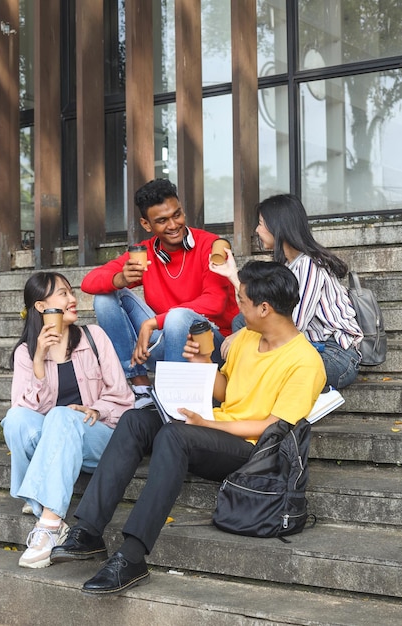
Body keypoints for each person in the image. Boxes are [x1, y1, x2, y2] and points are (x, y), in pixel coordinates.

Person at [50, 261, 326, 595]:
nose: (237, 308)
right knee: (137, 420)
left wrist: (207, 423)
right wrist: (204, 366)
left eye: (242, 301)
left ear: (264, 308)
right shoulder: (248, 339)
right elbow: (228, 390)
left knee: (175, 435)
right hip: (218, 430)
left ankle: (133, 556)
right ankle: (89, 531)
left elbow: (273, 426)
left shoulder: (305, 361)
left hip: (254, 451)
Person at [2, 272, 134, 569]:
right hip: (57, 438)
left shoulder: (94, 337)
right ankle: (46, 507)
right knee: (15, 419)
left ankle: (48, 523)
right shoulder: (27, 352)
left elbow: (124, 399)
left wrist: (97, 409)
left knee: (62, 415)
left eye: (70, 292)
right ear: (41, 307)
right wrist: (39, 360)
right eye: (63, 294)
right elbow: (24, 412)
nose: (73, 299)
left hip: (98, 437)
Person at [80, 178, 238, 407]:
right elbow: (88, 282)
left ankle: (172, 401)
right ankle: (141, 385)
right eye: (162, 221)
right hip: (166, 342)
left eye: (177, 214)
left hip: (209, 345)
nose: (173, 225)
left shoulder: (210, 245)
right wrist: (120, 279)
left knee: (178, 317)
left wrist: (152, 322)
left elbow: (214, 303)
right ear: (146, 224)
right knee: (105, 297)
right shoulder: (145, 254)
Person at [211, 194, 363, 390]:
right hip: (307, 348)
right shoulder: (288, 265)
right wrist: (232, 274)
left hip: (335, 356)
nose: (256, 230)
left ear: (277, 226)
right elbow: (257, 307)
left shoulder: (310, 266)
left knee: (258, 357)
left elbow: (292, 325)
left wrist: (241, 336)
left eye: (260, 223)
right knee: (241, 322)